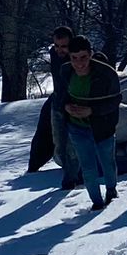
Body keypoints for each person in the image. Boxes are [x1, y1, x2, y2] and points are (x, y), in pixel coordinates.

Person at [59, 35, 122, 209]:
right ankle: (96, 202)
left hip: (103, 127)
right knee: (87, 167)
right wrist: (66, 107)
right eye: (74, 58)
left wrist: (92, 111)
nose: (79, 63)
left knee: (107, 162)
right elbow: (61, 96)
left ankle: (111, 190)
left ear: (91, 54)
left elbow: (115, 101)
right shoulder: (66, 72)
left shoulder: (106, 74)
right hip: (77, 127)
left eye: (83, 57)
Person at [45, 25, 78, 189]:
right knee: (59, 143)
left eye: (63, 46)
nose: (59, 50)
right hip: (58, 102)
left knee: (73, 144)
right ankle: (67, 169)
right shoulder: (54, 54)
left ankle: (71, 180)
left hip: (74, 104)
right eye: (57, 46)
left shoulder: (77, 58)